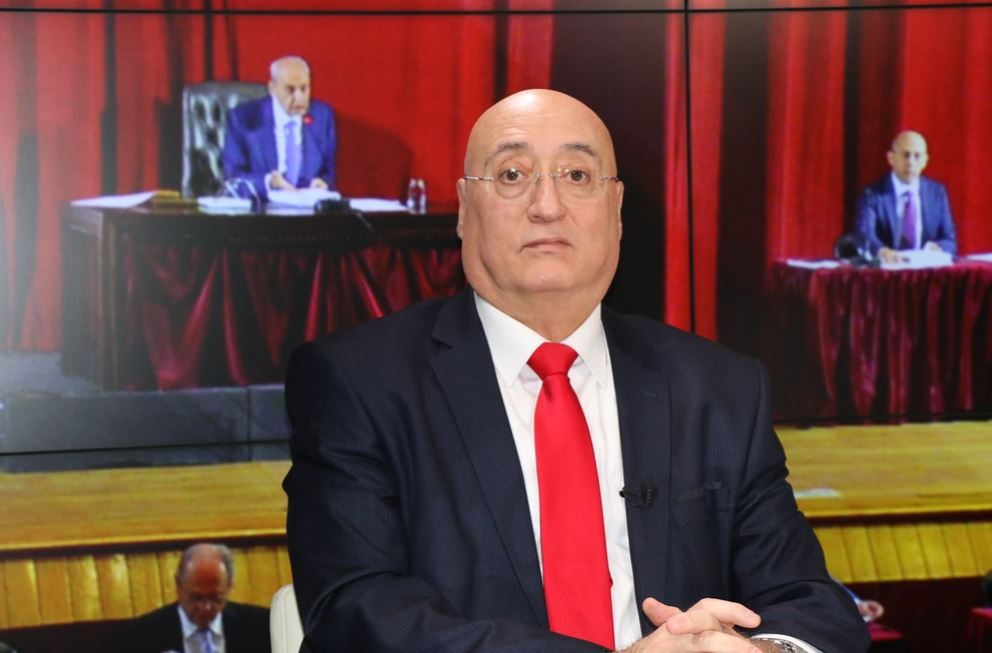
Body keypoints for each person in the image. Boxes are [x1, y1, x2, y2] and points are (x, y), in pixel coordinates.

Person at [283, 89, 869, 653]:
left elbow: (811, 603)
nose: (547, 205)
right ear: (463, 210)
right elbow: (356, 611)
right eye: (512, 174)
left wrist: (761, 650)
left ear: (616, 211)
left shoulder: (719, 389)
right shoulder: (357, 382)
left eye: (578, 175)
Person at [114, 543, 270, 653]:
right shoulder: (142, 635)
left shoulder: (262, 627)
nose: (206, 607)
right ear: (178, 587)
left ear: (229, 587)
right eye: (196, 598)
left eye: (215, 598)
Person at [222, 55, 337, 198]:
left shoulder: (322, 116)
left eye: (304, 88)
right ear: (273, 88)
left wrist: (323, 183)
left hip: (307, 207)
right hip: (263, 207)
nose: (300, 98)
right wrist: (269, 182)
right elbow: (233, 179)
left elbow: (328, 172)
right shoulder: (243, 118)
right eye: (290, 90)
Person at [854, 130, 957, 263]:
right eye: (905, 155)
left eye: (917, 156)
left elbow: (949, 240)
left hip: (925, 269)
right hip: (888, 270)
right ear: (891, 158)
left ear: (925, 161)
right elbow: (865, 236)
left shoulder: (937, 193)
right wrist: (881, 251)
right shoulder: (872, 195)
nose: (910, 162)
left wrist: (939, 248)